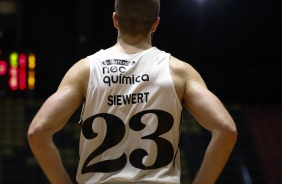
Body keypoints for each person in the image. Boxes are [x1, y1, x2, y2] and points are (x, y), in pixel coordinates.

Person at [27, 0, 237, 183]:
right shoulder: (179, 72)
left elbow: (37, 133)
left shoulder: (86, 70)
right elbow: (226, 130)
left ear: (115, 20)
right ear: (155, 23)